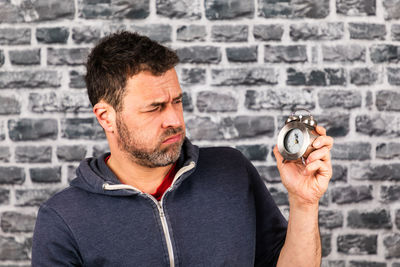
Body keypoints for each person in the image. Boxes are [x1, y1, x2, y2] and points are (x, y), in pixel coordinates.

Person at [32, 31, 333, 267]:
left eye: (177, 101)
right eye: (155, 108)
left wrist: (304, 203)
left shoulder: (232, 171)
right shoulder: (62, 218)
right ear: (105, 117)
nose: (175, 120)